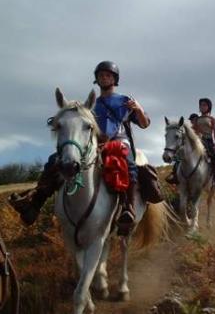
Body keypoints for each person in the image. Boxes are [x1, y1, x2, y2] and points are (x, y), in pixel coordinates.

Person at [10, 61, 150, 235]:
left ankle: (128, 207)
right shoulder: (91, 105)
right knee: (55, 159)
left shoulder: (125, 101)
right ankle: (35, 203)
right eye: (101, 76)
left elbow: (144, 125)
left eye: (108, 75)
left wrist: (139, 110)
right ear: (97, 80)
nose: (104, 78)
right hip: (96, 143)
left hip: (119, 141)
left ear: (114, 79)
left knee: (127, 161)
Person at [195, 98, 215, 188]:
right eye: (201, 105)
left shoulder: (212, 119)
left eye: (204, 105)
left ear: (209, 107)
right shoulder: (197, 119)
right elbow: (195, 130)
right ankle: (176, 174)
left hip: (208, 140)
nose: (202, 107)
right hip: (198, 140)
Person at [165, 113, 201, 185]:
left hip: (200, 145)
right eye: (191, 120)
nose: (192, 121)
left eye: (193, 120)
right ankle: (175, 174)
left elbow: (200, 137)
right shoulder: (190, 129)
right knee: (179, 157)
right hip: (192, 147)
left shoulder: (200, 127)